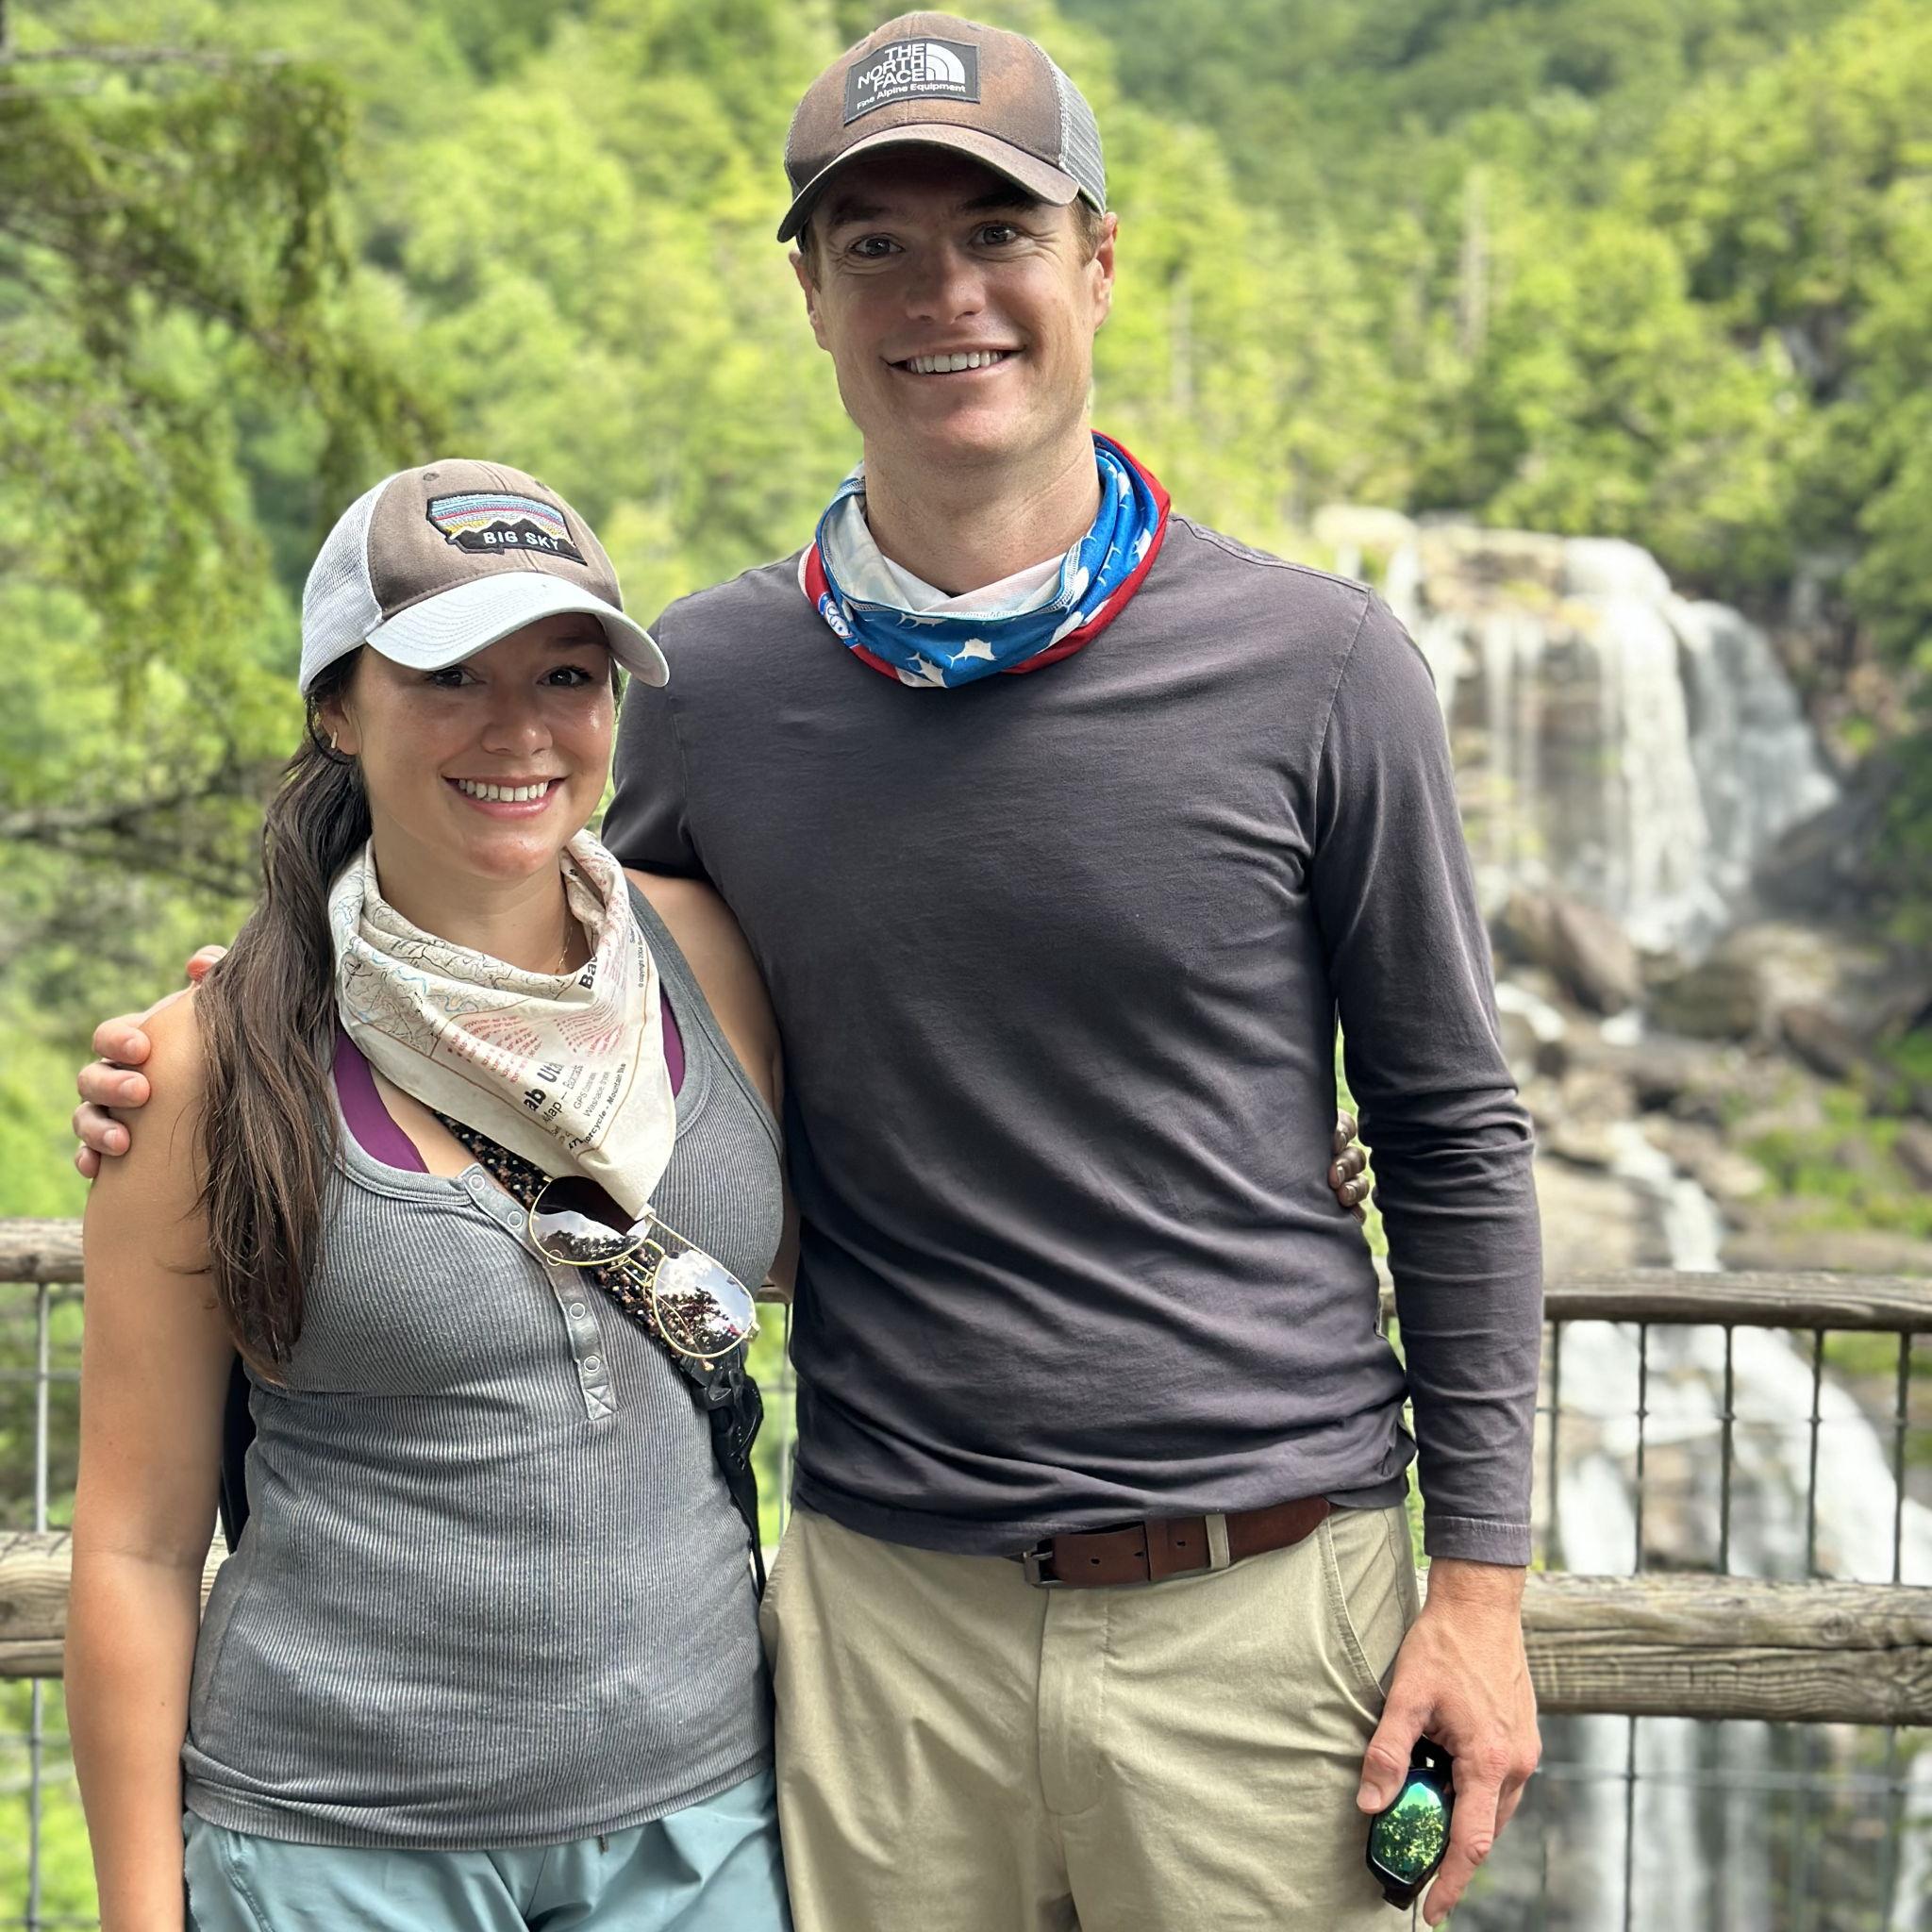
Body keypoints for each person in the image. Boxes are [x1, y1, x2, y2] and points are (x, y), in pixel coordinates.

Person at [75, 12, 1540, 1929]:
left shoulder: (1321, 671)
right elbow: (511, 926)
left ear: (1097, 262)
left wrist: (1483, 1592)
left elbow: (1450, 1130)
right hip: (875, 1631)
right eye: (877, 245)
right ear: (811, 293)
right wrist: (235, 1022)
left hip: (1260, 1613)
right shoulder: (722, 688)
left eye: (999, 232)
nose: (946, 292)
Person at [66, 460, 794, 1932]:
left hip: (704, 1826)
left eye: (569, 675)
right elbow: (135, 1550)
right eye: (447, 675)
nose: (518, 729)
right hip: (337, 1851)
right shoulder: (208, 1071)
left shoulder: (711, 958)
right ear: (339, 706)